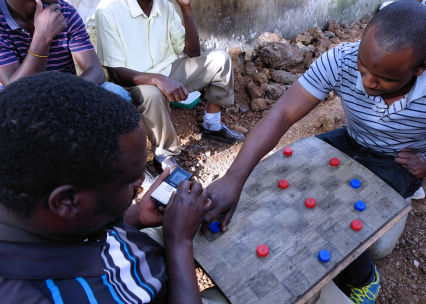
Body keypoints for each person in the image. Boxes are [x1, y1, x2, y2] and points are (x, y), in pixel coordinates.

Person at [203, 1, 426, 303]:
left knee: (334, 225)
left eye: (385, 79)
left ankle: (363, 280)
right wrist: (234, 177)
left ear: (419, 69)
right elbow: (282, 114)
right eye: (363, 67)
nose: (367, 82)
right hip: (350, 142)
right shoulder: (343, 58)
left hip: (399, 162)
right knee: (275, 184)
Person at [0, 71, 215, 303]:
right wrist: (178, 243)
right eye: (130, 181)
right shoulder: (35, 295)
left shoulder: (33, 213)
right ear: (67, 201)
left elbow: (78, 233)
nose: (141, 184)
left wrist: (136, 215)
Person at [95, 0, 245, 172]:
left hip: (168, 70)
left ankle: (212, 125)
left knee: (220, 59)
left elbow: (193, 53)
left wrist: (186, 8)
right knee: (152, 94)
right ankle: (163, 154)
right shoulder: (108, 10)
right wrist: (157, 79)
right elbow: (115, 72)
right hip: (132, 80)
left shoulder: (164, 5)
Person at [0, 0, 131, 100]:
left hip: (67, 95)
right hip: (19, 104)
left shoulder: (64, 11)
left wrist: (60, 95)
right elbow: (15, 89)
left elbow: (96, 72)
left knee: (115, 92)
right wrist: (42, 38)